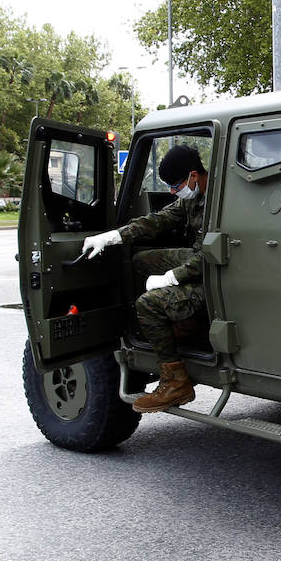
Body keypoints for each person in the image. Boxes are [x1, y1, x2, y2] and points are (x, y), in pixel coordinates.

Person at [79, 144, 209, 414]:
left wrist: (174, 277)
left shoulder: (223, 200)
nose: (173, 192)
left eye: (176, 185)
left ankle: (176, 382)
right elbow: (157, 221)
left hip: (218, 275)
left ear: (194, 176)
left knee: (147, 304)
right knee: (140, 261)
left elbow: (215, 253)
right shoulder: (192, 198)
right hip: (201, 259)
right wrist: (112, 236)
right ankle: (180, 324)